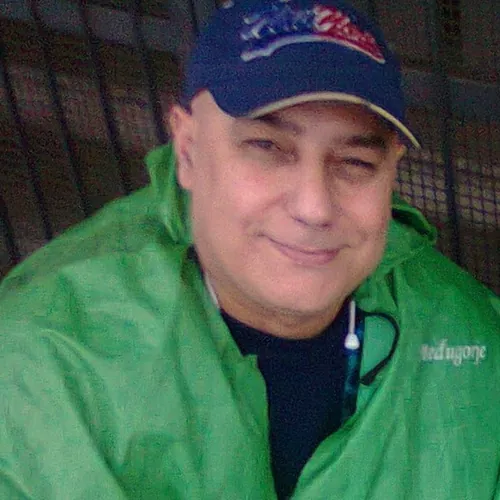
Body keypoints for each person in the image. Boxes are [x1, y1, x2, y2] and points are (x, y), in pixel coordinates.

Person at [1, 0, 499, 498]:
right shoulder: (43, 365)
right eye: (267, 147)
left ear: (392, 169)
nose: (314, 207)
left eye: (355, 162)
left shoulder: (468, 335)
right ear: (187, 150)